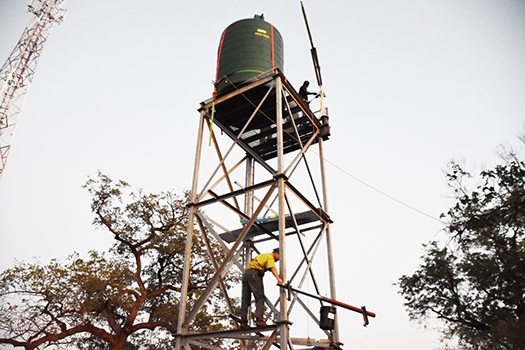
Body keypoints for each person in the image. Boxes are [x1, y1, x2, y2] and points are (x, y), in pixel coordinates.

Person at [240, 248, 283, 327]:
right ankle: (259, 320)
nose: (279, 259)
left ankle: (243, 322)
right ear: (276, 253)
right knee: (260, 297)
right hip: (254, 274)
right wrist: (278, 278)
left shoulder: (264, 256)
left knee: (245, 299)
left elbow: (268, 268)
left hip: (247, 274)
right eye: (280, 256)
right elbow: (273, 268)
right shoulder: (270, 257)